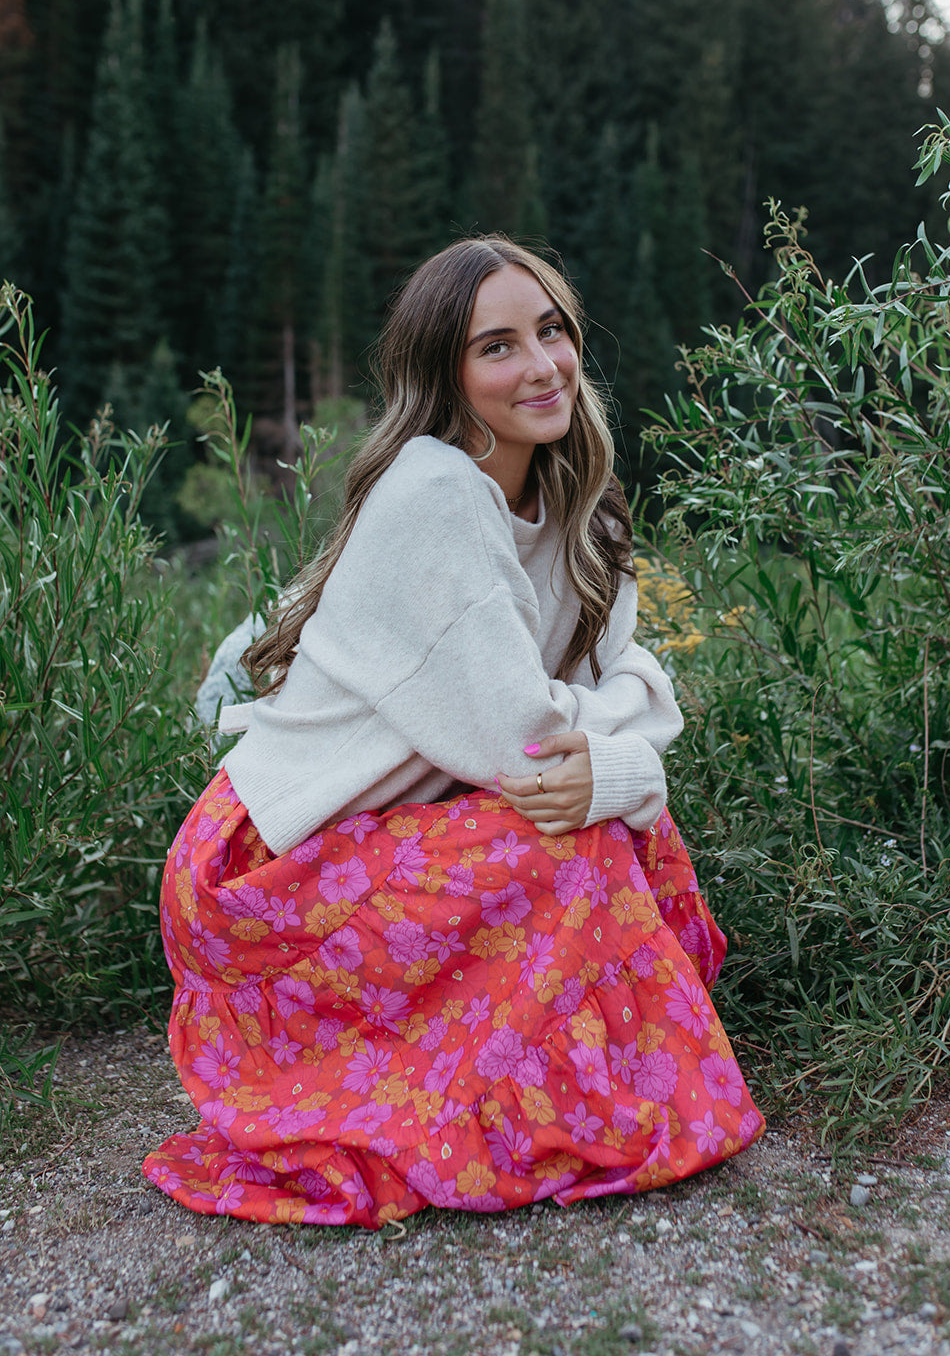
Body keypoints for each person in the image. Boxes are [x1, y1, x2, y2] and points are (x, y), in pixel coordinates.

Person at [143, 236, 763, 1226]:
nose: (541, 364)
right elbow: (524, 745)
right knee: (587, 837)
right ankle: (561, 1104)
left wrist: (616, 754)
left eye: (551, 332)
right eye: (497, 347)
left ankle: (549, 1088)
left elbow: (632, 679)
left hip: (368, 847)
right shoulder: (434, 492)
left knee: (617, 817)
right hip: (267, 870)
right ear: (446, 373)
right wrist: (626, 757)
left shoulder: (575, 507)